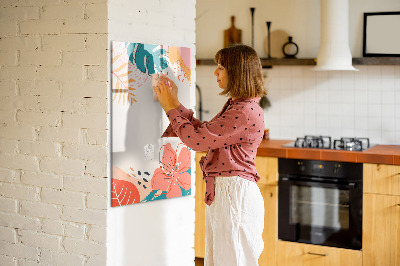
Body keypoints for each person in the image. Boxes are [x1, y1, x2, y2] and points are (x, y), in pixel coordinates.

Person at [153, 44, 266, 266]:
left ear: (237, 72)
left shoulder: (243, 111)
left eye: (221, 67)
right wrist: (175, 104)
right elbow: (205, 133)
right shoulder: (239, 106)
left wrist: (169, 108)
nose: (215, 72)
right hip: (228, 193)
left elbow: (197, 141)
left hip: (234, 195)